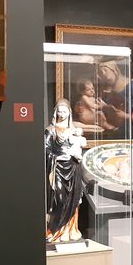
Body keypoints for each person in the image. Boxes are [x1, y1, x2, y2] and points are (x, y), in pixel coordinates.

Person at [45, 100, 87, 243]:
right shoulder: (51, 130)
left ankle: (70, 231)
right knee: (60, 199)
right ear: (55, 112)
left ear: (69, 113)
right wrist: (57, 157)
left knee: (74, 200)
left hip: (73, 167)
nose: (62, 114)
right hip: (57, 168)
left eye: (65, 111)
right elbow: (46, 149)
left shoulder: (73, 131)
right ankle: (54, 231)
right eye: (60, 111)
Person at [96, 59, 133, 136]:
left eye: (105, 70)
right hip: (114, 131)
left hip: (131, 132)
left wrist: (126, 116)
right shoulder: (108, 90)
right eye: (100, 72)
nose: (103, 74)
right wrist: (104, 106)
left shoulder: (131, 87)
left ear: (115, 70)